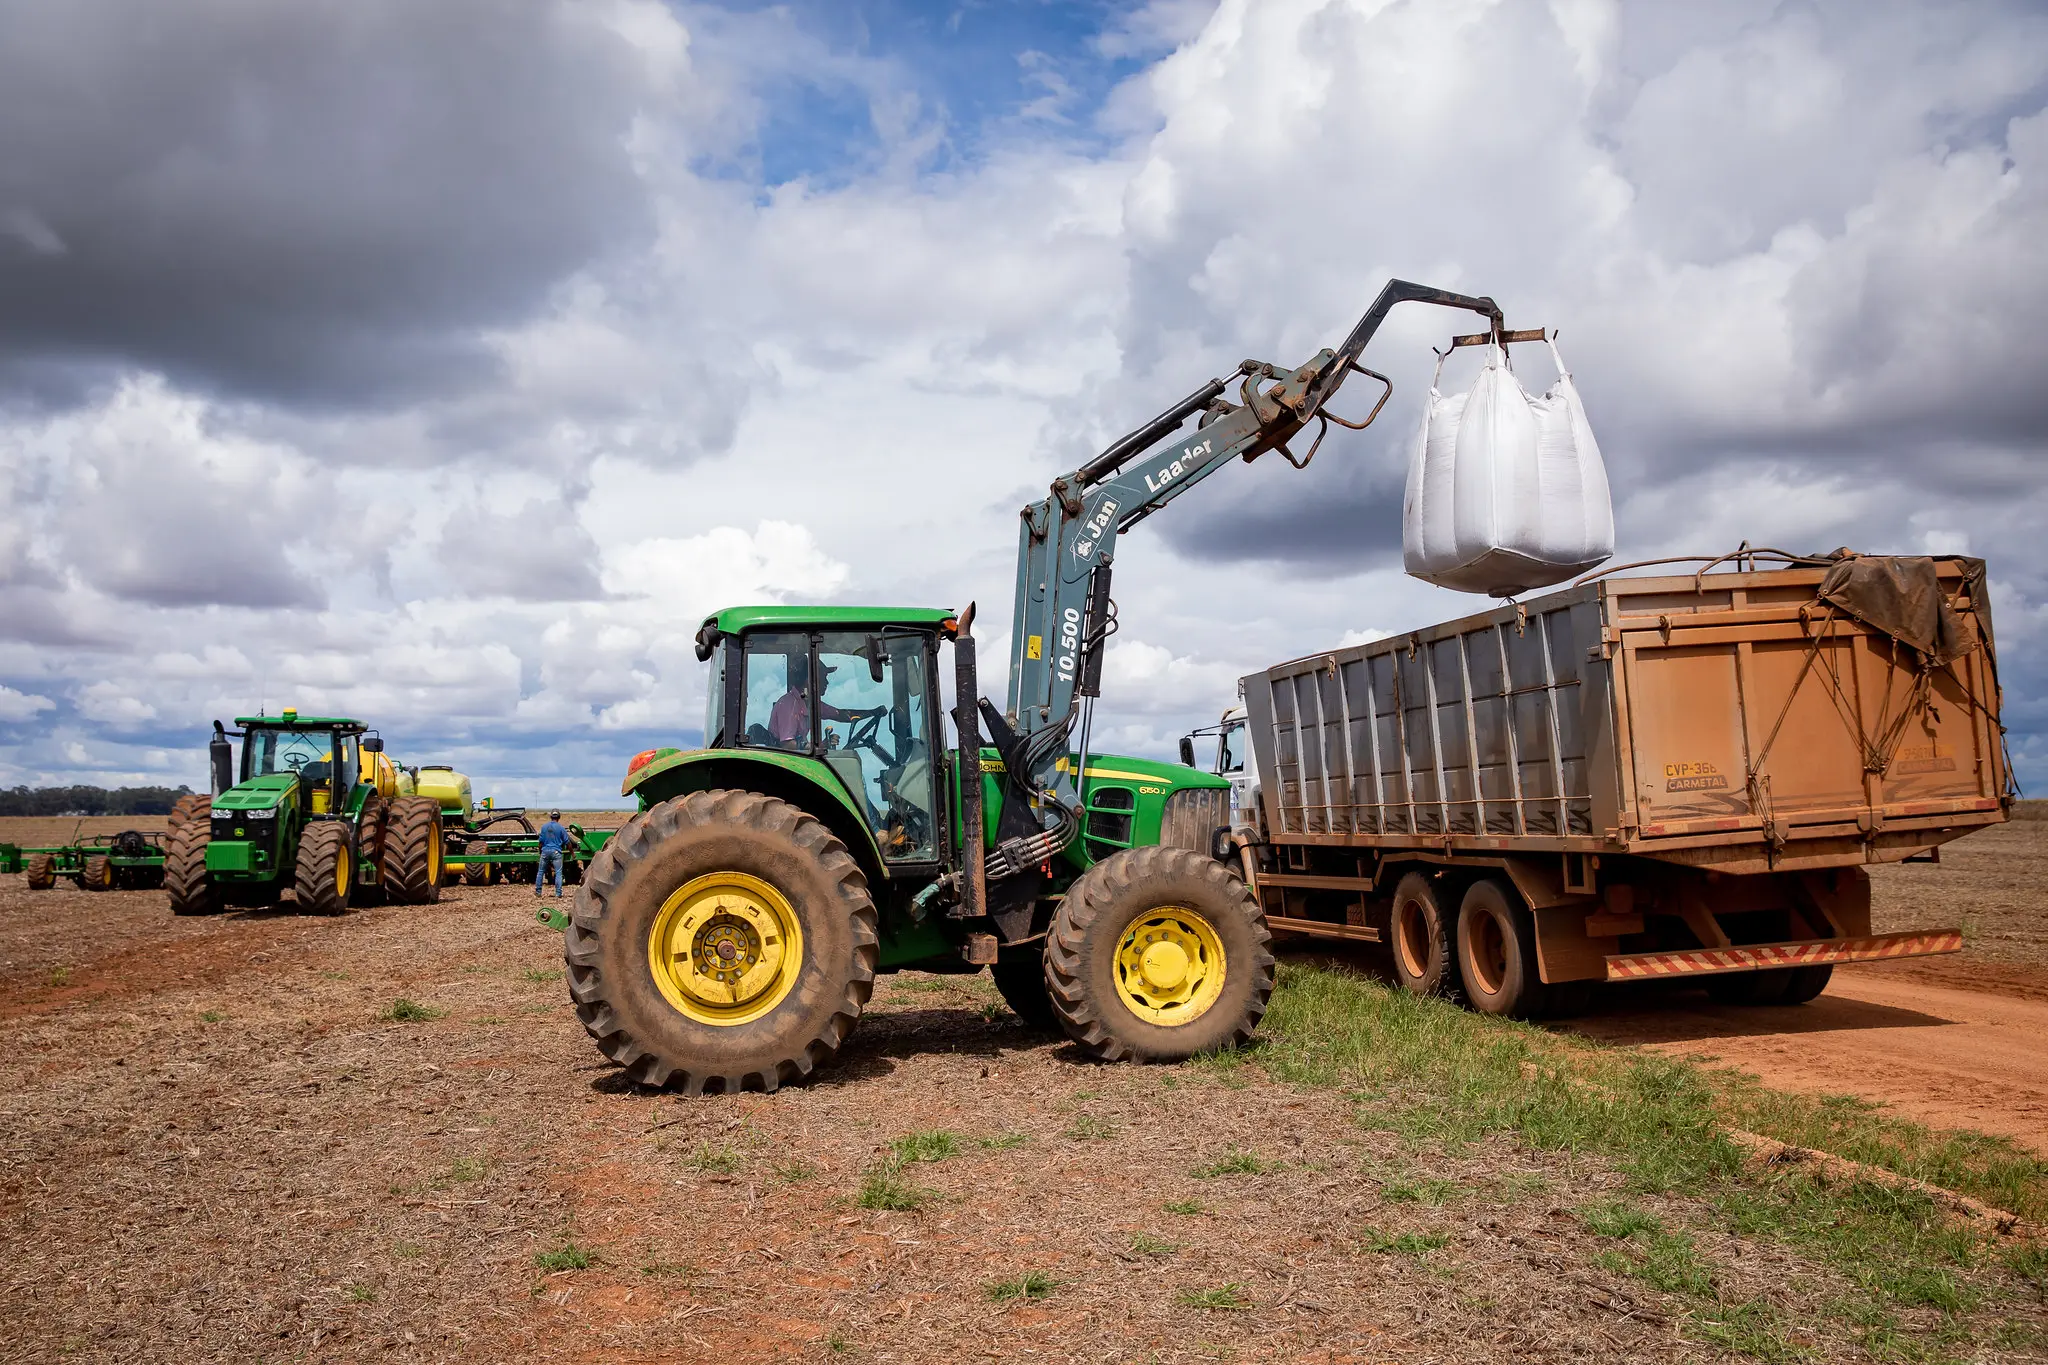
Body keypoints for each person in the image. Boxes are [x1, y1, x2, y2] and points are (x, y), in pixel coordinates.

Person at [768, 660, 880, 746]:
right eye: (823, 677)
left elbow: (841, 714)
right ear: (809, 680)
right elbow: (787, 745)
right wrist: (820, 746)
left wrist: (872, 712)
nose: (827, 682)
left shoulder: (810, 703)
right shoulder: (789, 705)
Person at [536, 810, 570, 898]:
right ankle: (558, 893)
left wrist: (540, 851)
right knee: (558, 873)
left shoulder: (544, 827)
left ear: (551, 817)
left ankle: (538, 892)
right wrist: (572, 853)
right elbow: (567, 842)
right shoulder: (561, 828)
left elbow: (540, 842)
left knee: (540, 872)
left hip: (545, 851)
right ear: (559, 817)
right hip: (556, 852)